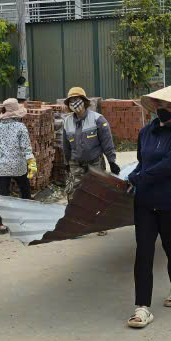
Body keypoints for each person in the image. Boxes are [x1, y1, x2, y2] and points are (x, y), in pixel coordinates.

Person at [125, 84, 171, 329]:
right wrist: (130, 178)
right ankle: (142, 307)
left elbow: (168, 166)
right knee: (143, 252)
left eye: (169, 106)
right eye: (161, 105)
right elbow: (142, 164)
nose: (163, 109)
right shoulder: (146, 133)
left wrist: (138, 178)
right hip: (145, 202)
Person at [62, 87, 120, 235]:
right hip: (76, 163)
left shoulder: (97, 119)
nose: (75, 103)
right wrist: (66, 163)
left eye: (77, 100)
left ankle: (100, 225)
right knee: (74, 194)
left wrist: (112, 161)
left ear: (85, 102)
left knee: (97, 193)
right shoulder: (67, 122)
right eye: (71, 101)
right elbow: (66, 144)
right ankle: (76, 226)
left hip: (95, 162)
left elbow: (107, 142)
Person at [0, 98, 37, 233]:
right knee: (25, 191)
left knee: (2, 195)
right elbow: (26, 148)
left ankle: (3, 225)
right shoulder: (21, 127)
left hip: (1, 167)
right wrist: (31, 162)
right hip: (18, 166)